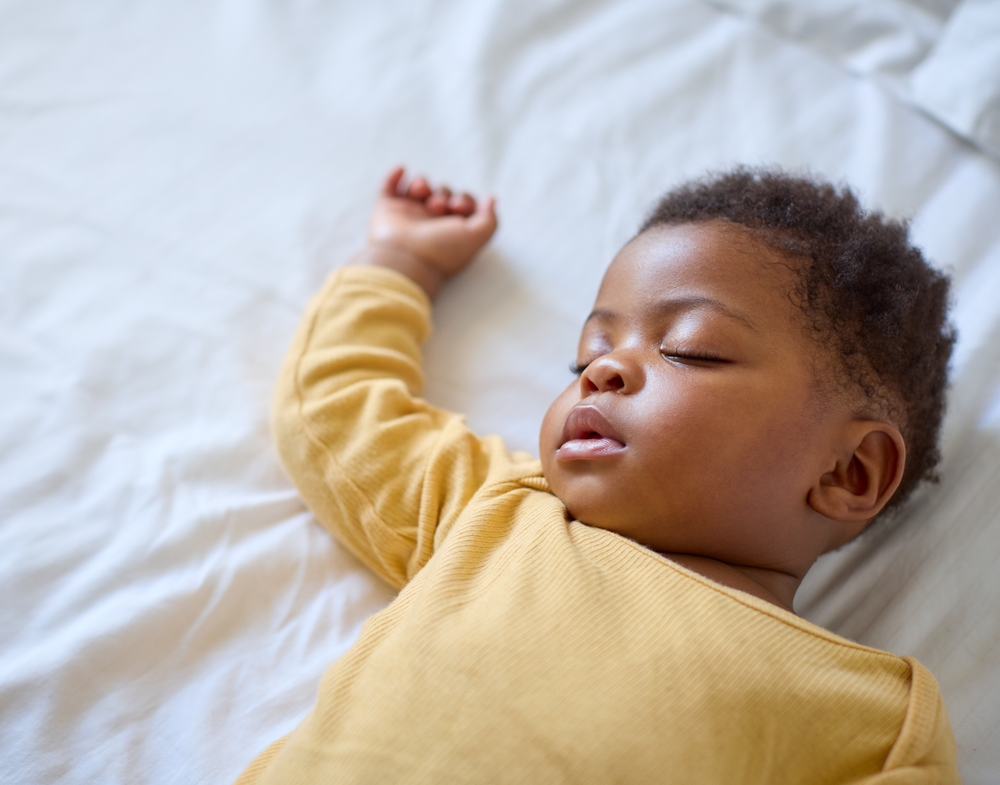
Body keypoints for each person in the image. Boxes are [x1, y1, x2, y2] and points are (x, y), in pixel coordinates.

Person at [236, 166, 960, 783]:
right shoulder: (504, 512)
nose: (602, 372)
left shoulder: (871, 716)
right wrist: (399, 262)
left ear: (849, 471)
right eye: (585, 358)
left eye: (690, 349)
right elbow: (338, 412)